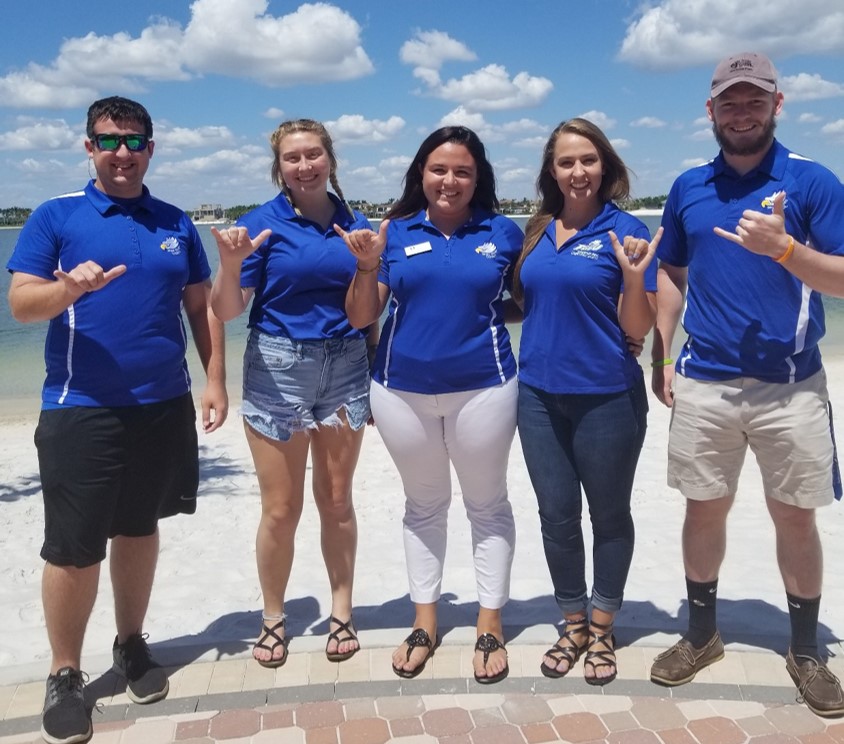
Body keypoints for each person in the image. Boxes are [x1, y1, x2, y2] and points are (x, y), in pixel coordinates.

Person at [6, 96, 228, 744]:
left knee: (139, 530)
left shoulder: (174, 222)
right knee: (75, 550)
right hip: (81, 409)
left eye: (134, 142)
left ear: (151, 148)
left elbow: (200, 308)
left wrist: (214, 381)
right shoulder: (57, 217)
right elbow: (22, 304)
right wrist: (68, 289)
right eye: (108, 142)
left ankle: (130, 644)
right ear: (88, 148)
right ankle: (66, 672)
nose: (122, 153)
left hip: (162, 406)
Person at [648, 52, 844, 717]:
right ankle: (701, 635)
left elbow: (842, 278)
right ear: (710, 112)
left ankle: (806, 651)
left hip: (790, 385)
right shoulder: (688, 186)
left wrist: (785, 250)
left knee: (795, 515)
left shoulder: (812, 181)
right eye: (729, 102)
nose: (741, 112)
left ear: (777, 104)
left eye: (753, 100)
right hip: (703, 382)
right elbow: (671, 272)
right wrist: (661, 354)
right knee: (704, 508)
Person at [336, 126, 523, 684]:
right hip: (399, 390)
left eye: (462, 171)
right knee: (423, 507)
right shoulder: (392, 234)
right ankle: (425, 623)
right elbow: (360, 316)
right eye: (439, 169)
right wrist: (367, 266)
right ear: (421, 173)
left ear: (477, 177)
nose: (449, 180)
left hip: (485, 387)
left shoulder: (503, 232)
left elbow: (530, 299)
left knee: (487, 505)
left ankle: (490, 624)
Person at [210, 119, 373, 670]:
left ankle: (342, 611)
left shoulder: (356, 223)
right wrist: (231, 266)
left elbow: (368, 310)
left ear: (331, 159)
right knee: (281, 509)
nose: (304, 166)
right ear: (278, 166)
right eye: (291, 158)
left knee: (337, 502)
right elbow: (227, 309)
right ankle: (274, 617)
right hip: (277, 367)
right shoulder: (261, 224)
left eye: (313, 155)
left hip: (346, 365)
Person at [511, 118, 659, 685]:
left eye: (589, 161)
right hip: (539, 397)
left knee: (609, 515)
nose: (578, 172)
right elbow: (521, 302)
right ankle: (571, 619)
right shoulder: (537, 230)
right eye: (567, 162)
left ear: (607, 167)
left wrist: (634, 278)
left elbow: (637, 327)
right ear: (552, 170)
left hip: (608, 398)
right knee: (556, 516)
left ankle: (602, 625)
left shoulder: (626, 231)